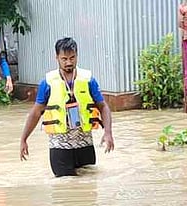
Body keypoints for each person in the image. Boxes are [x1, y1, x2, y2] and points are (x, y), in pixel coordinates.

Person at [19, 37, 115, 178]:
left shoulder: (88, 79)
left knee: (88, 190)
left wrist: (108, 132)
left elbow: (103, 107)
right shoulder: (47, 83)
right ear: (56, 57)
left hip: (84, 143)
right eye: (64, 59)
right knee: (64, 187)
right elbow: (36, 112)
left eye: (72, 58)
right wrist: (23, 139)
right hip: (60, 146)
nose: (69, 62)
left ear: (77, 55)